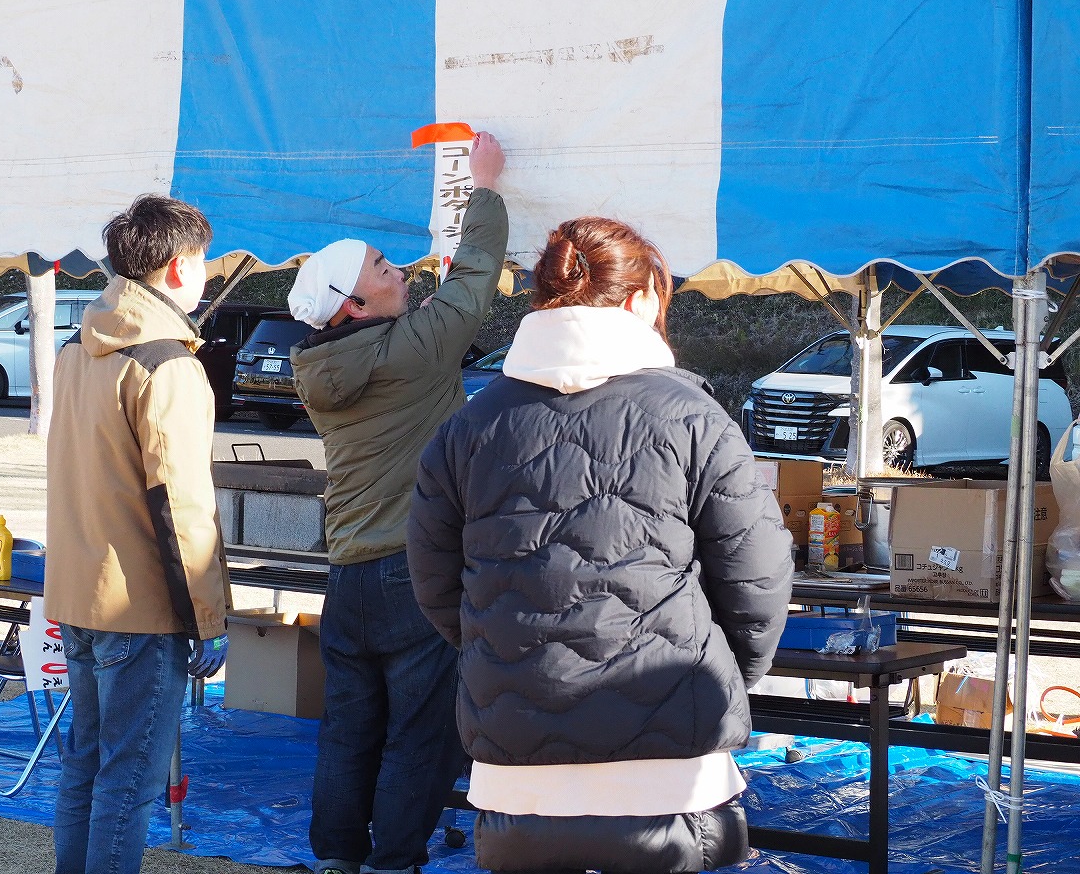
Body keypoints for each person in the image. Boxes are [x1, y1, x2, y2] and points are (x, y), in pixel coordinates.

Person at [407, 216, 794, 874]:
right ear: (642, 299)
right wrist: (718, 675)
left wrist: (506, 654)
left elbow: (435, 581)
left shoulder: (469, 426)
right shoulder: (694, 417)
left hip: (516, 758)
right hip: (670, 761)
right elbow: (757, 577)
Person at [287, 132, 508, 874]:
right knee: (419, 731)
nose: (399, 269)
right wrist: (485, 189)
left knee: (349, 728)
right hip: (413, 572)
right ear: (354, 305)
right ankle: (394, 861)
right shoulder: (410, 350)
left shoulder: (320, 365)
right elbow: (473, 279)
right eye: (384, 268)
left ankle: (337, 858)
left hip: (348, 573)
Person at [45, 194, 232, 874]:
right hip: (140, 605)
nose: (207, 273)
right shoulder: (166, 363)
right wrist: (209, 618)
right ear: (179, 267)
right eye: (204, 261)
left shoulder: (78, 347)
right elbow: (182, 505)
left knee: (86, 766)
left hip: (79, 591)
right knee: (126, 780)